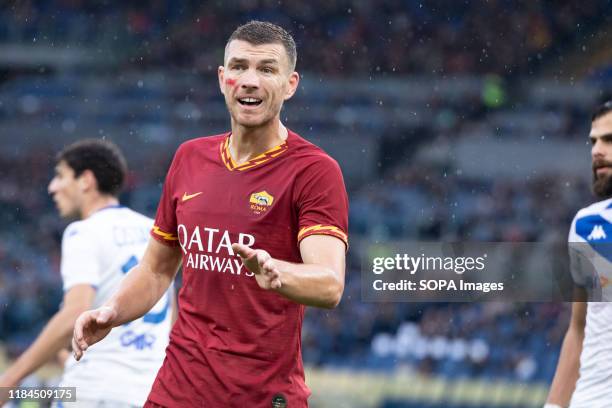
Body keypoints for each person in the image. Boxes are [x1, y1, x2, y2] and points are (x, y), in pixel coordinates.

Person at [72, 20, 349, 408]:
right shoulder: (190, 157)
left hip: (260, 395)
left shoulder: (314, 170)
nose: (249, 80)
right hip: (176, 390)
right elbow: (156, 270)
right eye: (238, 67)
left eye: (266, 69)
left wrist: (278, 272)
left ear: (291, 84)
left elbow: (330, 284)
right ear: (222, 79)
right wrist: (112, 311)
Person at [0, 139, 174, 407]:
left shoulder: (84, 232)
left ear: (86, 180)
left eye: (60, 176)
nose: (52, 186)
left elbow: (73, 313)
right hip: (145, 394)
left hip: (91, 392)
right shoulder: (155, 231)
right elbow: (169, 321)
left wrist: (10, 380)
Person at [547, 101, 612, 407]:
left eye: (609, 140)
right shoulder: (587, 225)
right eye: (594, 141)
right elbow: (579, 327)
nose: (597, 150)